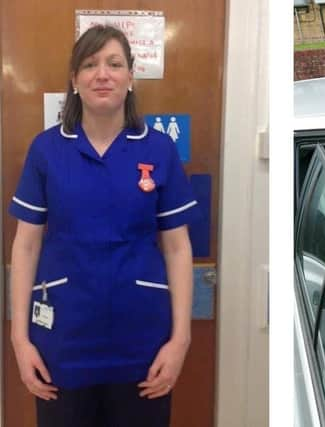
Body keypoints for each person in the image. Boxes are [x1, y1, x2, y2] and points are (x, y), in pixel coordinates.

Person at [9, 25, 198, 427]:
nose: (102, 74)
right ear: (74, 80)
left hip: (142, 344)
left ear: (130, 77)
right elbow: (25, 246)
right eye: (90, 64)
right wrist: (20, 339)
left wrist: (180, 340)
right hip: (63, 341)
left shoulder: (158, 149)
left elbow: (179, 248)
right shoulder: (47, 150)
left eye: (114, 64)